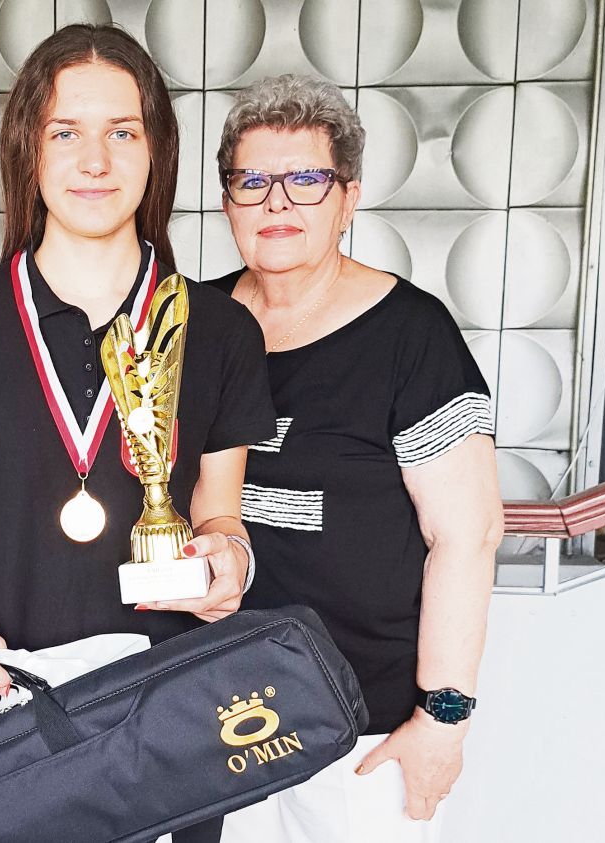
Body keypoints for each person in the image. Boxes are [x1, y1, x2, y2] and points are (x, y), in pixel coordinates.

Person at [0, 25, 275, 843]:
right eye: (65, 132)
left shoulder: (220, 330)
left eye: (122, 132)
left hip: (169, 720)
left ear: (156, 150)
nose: (94, 161)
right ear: (27, 148)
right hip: (3, 710)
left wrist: (231, 563)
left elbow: (222, 514)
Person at [207, 75, 504, 843]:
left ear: (348, 199)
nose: (277, 203)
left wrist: (443, 716)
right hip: (210, 713)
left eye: (306, 179)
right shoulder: (195, 324)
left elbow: (467, 535)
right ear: (227, 200)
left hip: (365, 729)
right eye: (252, 181)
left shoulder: (412, 334)